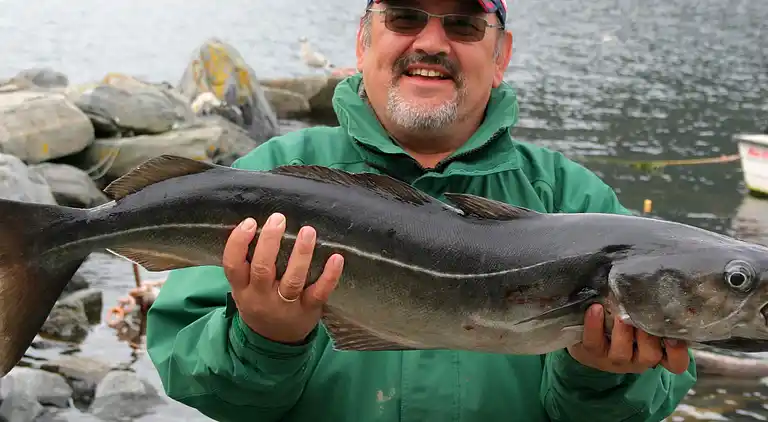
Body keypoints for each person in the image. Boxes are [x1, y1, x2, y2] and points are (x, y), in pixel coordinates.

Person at [145, 0, 697, 420]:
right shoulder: (266, 178)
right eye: (405, 17)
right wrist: (264, 339)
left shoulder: (574, 199)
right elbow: (199, 381)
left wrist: (601, 378)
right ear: (363, 41)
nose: (431, 43)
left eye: (463, 25)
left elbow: (643, 401)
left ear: (501, 56)